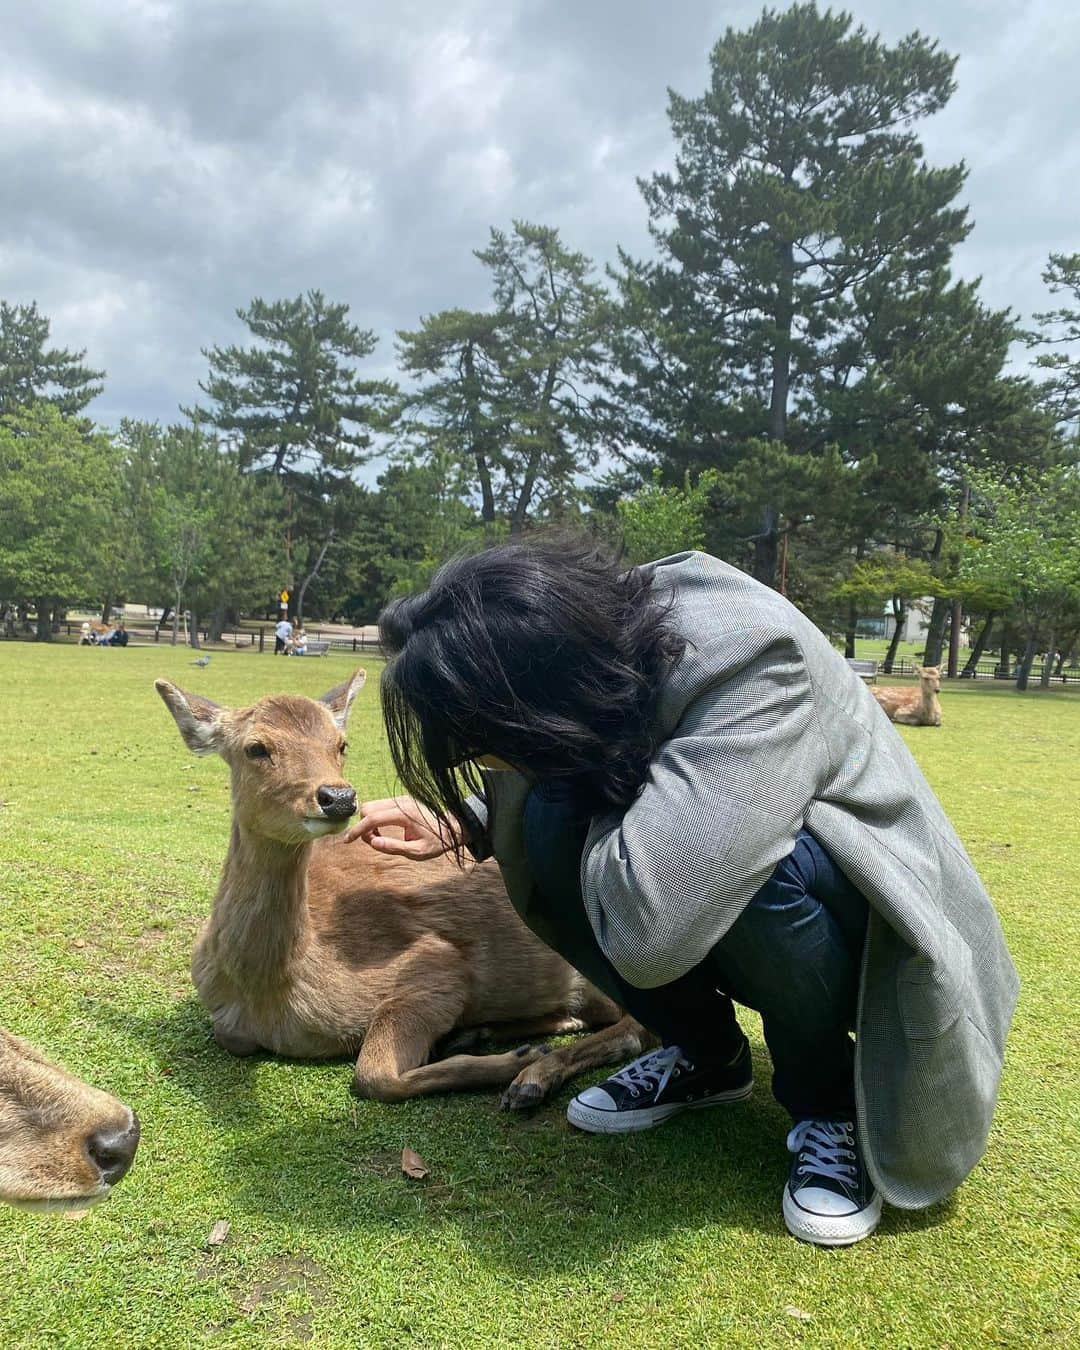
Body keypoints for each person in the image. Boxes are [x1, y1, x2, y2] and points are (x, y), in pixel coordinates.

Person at [345, 541, 1018, 1248]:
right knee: (545, 822)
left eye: (485, 745)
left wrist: (563, 780)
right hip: (735, 878)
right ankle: (706, 1057)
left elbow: (650, 929)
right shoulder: (588, 640)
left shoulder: (753, 658)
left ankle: (832, 1105)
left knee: (750, 875)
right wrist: (468, 818)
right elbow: (565, 740)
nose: (481, 761)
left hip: (873, 918)